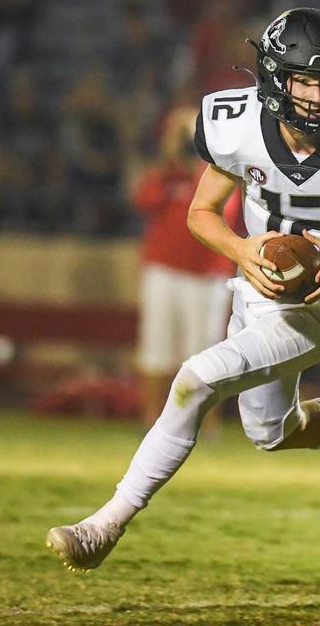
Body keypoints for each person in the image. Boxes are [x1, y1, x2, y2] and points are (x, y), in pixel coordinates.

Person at [46, 8, 320, 572]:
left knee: (194, 381)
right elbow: (201, 213)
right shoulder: (236, 125)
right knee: (273, 431)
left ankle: (104, 524)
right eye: (306, 80)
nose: (318, 96)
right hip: (256, 291)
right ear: (276, 78)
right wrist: (241, 250)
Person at [132, 105, 241, 429]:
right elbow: (144, 200)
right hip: (164, 269)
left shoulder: (221, 170)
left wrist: (200, 161)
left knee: (206, 350)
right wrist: (169, 161)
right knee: (156, 346)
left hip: (207, 273)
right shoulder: (165, 175)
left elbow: (229, 212)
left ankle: (205, 423)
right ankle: (151, 419)